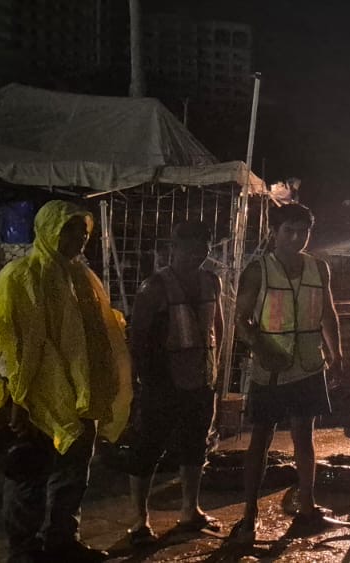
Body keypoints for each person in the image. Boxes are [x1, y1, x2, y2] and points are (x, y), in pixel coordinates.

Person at [0, 200, 132, 563]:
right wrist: (15, 399)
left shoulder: (83, 278)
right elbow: (3, 338)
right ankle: (24, 550)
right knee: (30, 473)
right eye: (71, 230)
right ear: (49, 230)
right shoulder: (20, 277)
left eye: (83, 231)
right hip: (37, 397)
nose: (80, 238)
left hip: (80, 395)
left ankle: (62, 540)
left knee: (73, 472)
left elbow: (99, 335)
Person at [227, 203, 344, 544]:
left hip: (308, 365)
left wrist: (336, 354)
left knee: (305, 437)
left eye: (302, 231)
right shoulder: (258, 270)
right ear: (273, 233)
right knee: (261, 438)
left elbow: (328, 313)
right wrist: (261, 349)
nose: (296, 238)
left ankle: (308, 507)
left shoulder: (319, 268)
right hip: (271, 371)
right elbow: (241, 319)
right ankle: (249, 514)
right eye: (288, 231)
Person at [124, 221, 223, 544]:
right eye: (189, 249)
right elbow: (138, 337)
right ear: (174, 248)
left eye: (202, 249)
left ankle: (190, 510)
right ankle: (139, 521)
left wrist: (214, 369)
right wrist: (141, 381)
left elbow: (217, 327)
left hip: (201, 379)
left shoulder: (211, 281)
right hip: (163, 382)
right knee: (148, 448)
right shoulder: (154, 287)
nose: (196, 255)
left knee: (195, 445)